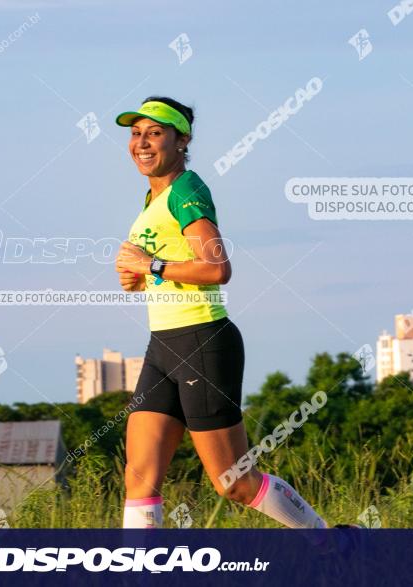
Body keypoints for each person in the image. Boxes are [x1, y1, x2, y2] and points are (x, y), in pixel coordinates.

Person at [114, 96, 328, 530]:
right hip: (163, 346)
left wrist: (151, 265)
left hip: (201, 341)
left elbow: (216, 268)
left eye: (155, 133)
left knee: (234, 482)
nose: (142, 142)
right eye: (136, 133)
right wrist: (140, 275)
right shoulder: (151, 199)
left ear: (181, 140)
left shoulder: (187, 189)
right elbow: (169, 266)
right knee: (139, 476)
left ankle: (334, 543)